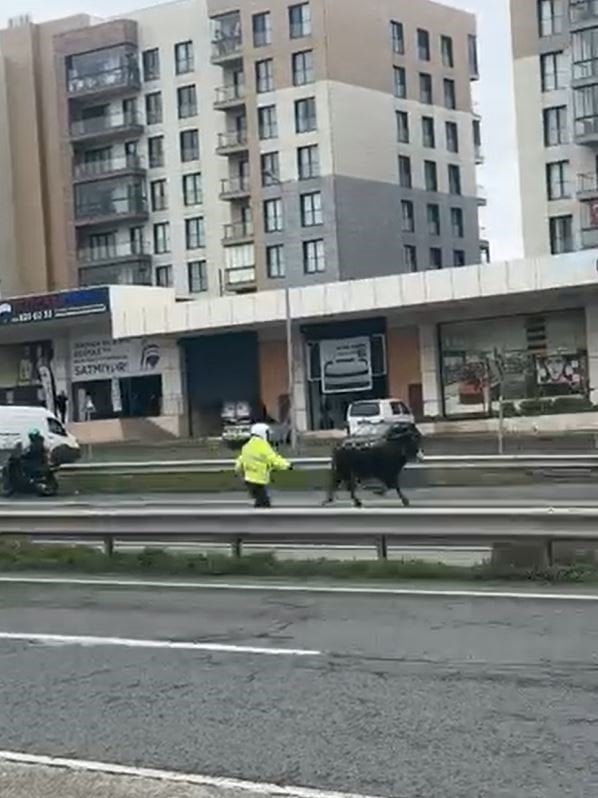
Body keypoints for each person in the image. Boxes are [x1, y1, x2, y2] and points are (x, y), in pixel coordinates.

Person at [235, 423, 291, 508]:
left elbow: (240, 461)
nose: (268, 436)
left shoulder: (247, 446)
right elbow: (273, 459)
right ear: (262, 433)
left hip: (249, 480)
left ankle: (257, 518)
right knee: (264, 504)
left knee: (260, 502)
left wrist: (238, 471)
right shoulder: (262, 445)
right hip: (258, 480)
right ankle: (258, 520)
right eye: (267, 433)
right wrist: (287, 465)